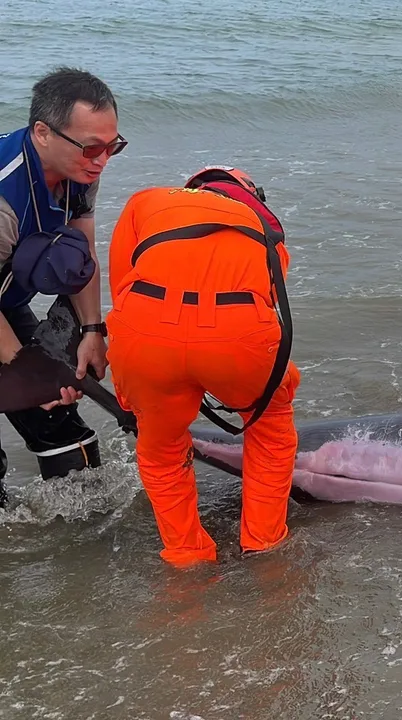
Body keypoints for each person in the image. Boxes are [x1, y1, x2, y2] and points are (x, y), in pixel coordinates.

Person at [105, 167, 301, 566]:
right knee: (270, 425)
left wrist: (132, 394)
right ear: (249, 195)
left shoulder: (146, 201)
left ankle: (187, 556)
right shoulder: (266, 229)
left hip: (145, 330)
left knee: (160, 449)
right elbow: (268, 298)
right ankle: (264, 545)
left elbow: (121, 283)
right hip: (237, 333)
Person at [0, 67, 121, 506]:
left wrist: (92, 331)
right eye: (92, 147)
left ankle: (82, 536)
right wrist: (27, 371)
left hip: (6, 297)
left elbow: (81, 257)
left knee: (60, 424)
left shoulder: (81, 169)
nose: (102, 160)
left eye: (112, 146)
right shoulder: (4, 200)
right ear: (43, 133)